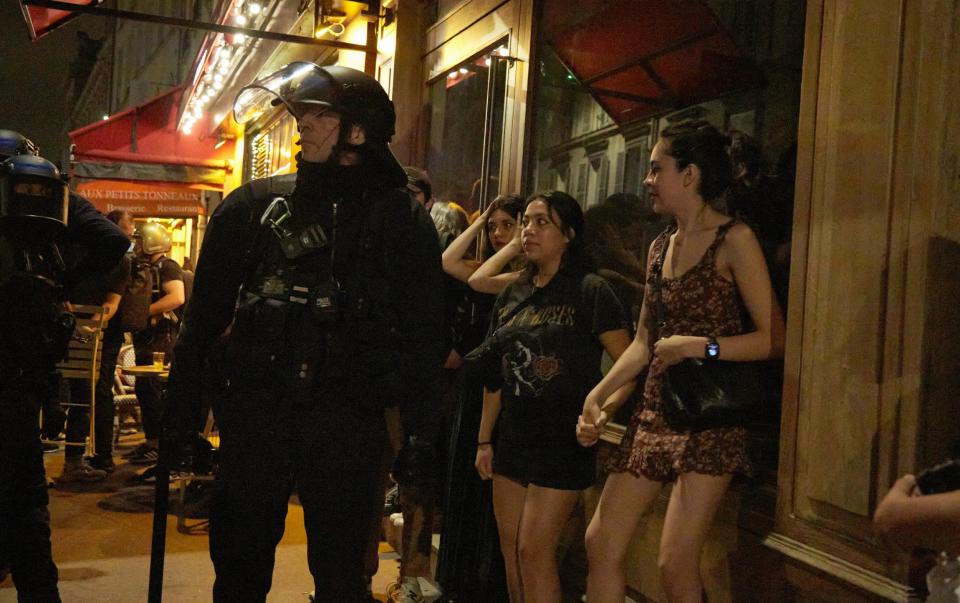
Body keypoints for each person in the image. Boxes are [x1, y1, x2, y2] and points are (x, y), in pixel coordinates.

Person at [161, 63, 445, 602]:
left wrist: (422, 436)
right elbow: (202, 323)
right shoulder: (250, 208)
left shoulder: (402, 223)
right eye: (300, 114)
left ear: (357, 131)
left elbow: (424, 336)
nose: (301, 125)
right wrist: (182, 409)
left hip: (348, 425)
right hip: (255, 419)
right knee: (239, 571)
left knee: (342, 575)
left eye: (317, 114)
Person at [576, 120, 786, 603]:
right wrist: (598, 394)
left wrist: (700, 345)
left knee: (675, 563)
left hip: (710, 416)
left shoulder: (735, 239)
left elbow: (774, 340)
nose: (647, 180)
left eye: (656, 169)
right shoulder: (657, 248)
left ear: (689, 174)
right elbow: (645, 341)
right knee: (600, 541)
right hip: (656, 409)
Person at [470, 191, 633, 602]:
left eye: (542, 222)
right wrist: (484, 438)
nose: (529, 230)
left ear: (569, 234)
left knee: (534, 550)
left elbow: (629, 365)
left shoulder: (590, 289)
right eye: (526, 221)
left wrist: (603, 413)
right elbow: (497, 372)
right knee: (511, 552)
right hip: (513, 435)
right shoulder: (513, 294)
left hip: (563, 438)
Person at [0, 131, 129, 602]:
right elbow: (113, 242)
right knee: (25, 495)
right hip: (20, 367)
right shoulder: (54, 199)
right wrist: (60, 283)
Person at [434, 193, 525, 602]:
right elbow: (450, 262)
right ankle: (458, 582)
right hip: (473, 386)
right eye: (494, 226)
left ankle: (485, 586)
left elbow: (475, 281)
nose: (498, 233)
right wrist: (481, 219)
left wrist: (516, 245)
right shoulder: (486, 267)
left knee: (489, 492)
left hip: (503, 388)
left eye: (509, 224)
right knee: (462, 485)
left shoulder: (526, 279)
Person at [123, 223, 184, 465]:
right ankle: (150, 441)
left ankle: (158, 444)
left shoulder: (167, 267)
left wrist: (144, 312)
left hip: (161, 336)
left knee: (153, 389)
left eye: (140, 241)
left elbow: (176, 297)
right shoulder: (146, 267)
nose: (136, 246)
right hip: (146, 335)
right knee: (144, 389)